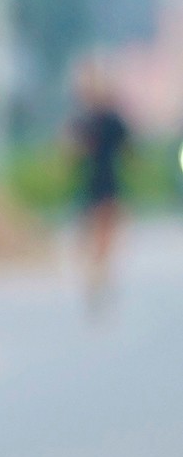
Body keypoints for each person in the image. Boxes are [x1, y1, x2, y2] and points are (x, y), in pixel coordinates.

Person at [69, 59, 131, 316]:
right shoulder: (88, 121)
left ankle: (99, 279)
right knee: (93, 239)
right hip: (93, 184)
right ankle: (97, 278)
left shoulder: (106, 121)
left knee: (103, 238)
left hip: (103, 184)